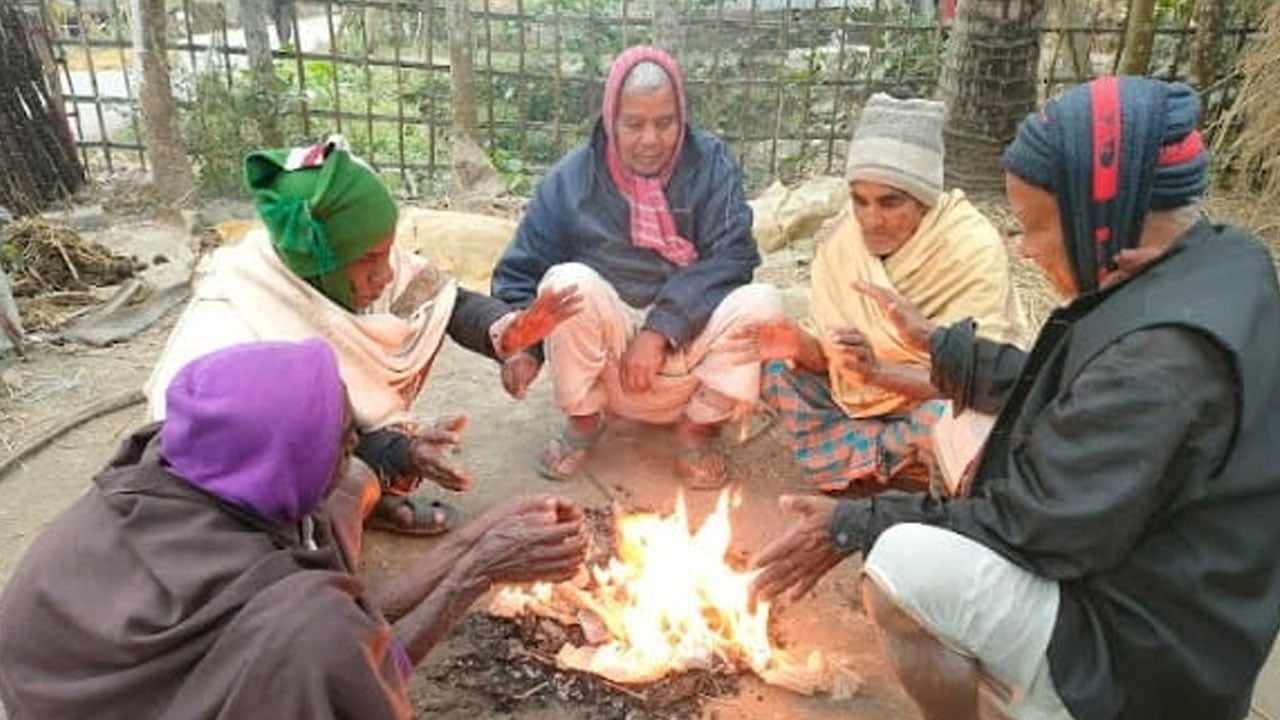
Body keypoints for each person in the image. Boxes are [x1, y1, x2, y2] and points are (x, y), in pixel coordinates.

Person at [749, 77, 1280, 719]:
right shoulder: (1219, 260)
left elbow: (1031, 523)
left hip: (1136, 659)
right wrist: (947, 352)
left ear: (1100, 217)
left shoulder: (1165, 361)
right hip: (1168, 590)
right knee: (958, 430)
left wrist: (857, 522)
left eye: (1034, 228)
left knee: (903, 566)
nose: (1023, 248)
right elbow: (1072, 382)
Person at [0, 340, 588, 719]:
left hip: (72, 685)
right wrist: (477, 573)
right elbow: (358, 666)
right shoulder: (303, 627)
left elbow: (349, 615)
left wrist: (475, 541)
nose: (354, 442)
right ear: (281, 462)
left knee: (347, 492)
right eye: (339, 437)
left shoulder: (177, 464)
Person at [145, 136, 582, 537]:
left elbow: (447, 302)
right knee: (311, 549)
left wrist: (508, 330)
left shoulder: (335, 264)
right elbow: (275, 449)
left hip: (311, 446)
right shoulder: (237, 325)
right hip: (232, 489)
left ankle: (370, 486)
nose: (387, 273)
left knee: (408, 325)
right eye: (370, 259)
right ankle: (342, 512)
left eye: (387, 251)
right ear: (318, 259)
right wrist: (398, 453)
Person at [490, 46, 784, 489]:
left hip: (686, 349)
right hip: (610, 367)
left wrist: (660, 329)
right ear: (611, 120)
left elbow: (734, 256)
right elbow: (518, 273)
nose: (650, 139)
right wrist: (523, 348)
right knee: (569, 284)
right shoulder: (571, 179)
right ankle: (584, 422)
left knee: (764, 304)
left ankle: (697, 430)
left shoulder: (711, 164)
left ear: (682, 118)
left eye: (665, 123)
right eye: (634, 124)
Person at [739, 93, 1023, 492]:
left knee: (958, 422)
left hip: (929, 402)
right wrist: (799, 345)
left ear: (924, 201)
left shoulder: (970, 248)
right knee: (773, 370)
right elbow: (834, 367)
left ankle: (886, 461)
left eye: (891, 203)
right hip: (860, 407)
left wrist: (880, 372)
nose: (871, 220)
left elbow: (984, 381)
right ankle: (890, 459)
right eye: (860, 201)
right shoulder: (844, 246)